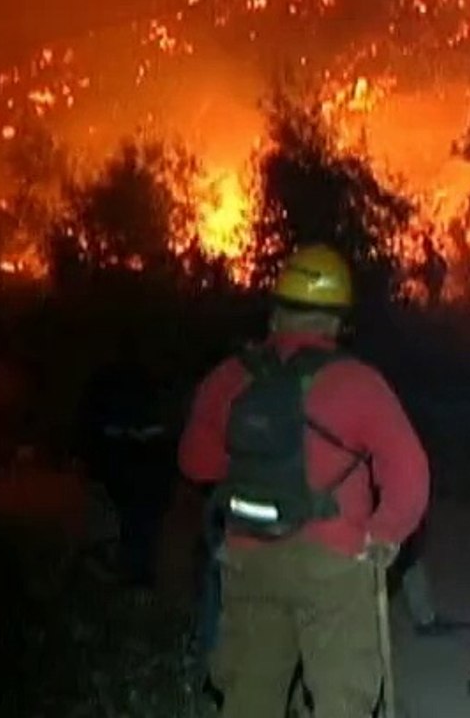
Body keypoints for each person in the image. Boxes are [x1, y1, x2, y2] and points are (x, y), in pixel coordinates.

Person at [178, 243, 430, 718]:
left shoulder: (228, 377)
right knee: (342, 700)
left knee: (249, 697)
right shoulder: (358, 383)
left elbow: (196, 465)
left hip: (249, 560)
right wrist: (383, 534)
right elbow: (410, 472)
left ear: (276, 313)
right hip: (334, 563)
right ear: (336, 321)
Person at [76, 335, 177, 589]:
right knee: (141, 529)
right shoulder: (155, 383)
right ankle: (137, 581)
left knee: (125, 527)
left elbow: (90, 424)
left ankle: (127, 581)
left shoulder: (106, 382)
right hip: (144, 470)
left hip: (122, 469)